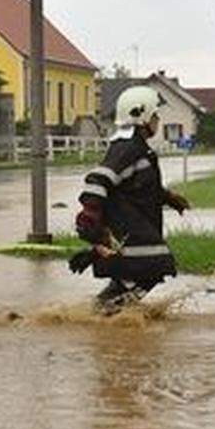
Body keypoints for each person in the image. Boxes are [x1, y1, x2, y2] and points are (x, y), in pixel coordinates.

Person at [70, 85, 191, 314]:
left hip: (133, 228)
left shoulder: (136, 147)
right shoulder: (128, 148)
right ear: (142, 115)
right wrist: (91, 225)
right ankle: (103, 317)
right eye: (155, 115)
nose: (157, 120)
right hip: (127, 230)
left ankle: (104, 319)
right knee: (155, 266)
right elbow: (98, 181)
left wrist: (168, 198)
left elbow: (136, 185)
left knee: (138, 275)